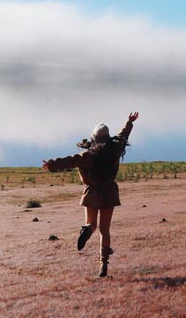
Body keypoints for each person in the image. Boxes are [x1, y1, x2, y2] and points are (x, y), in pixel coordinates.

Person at [42, 111, 139, 277]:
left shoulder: (87, 156)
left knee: (92, 224)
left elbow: (70, 160)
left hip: (91, 192)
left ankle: (87, 228)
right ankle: (103, 265)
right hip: (109, 192)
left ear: (93, 139)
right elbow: (122, 135)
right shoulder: (115, 149)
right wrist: (129, 122)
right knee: (105, 230)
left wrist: (52, 164)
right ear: (108, 138)